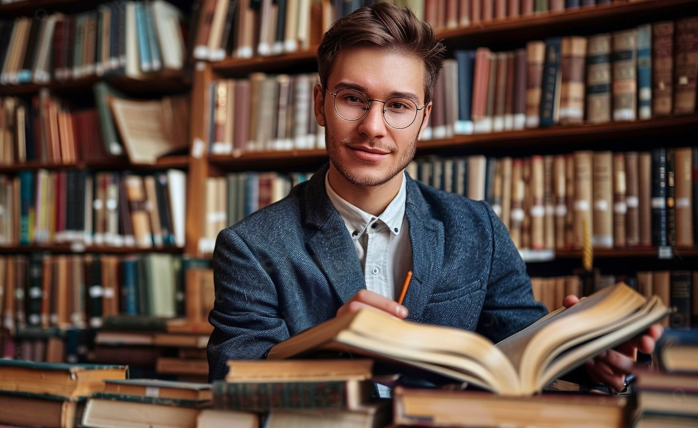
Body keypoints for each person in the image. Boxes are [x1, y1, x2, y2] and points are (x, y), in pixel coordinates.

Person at [207, 2, 662, 392]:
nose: (373, 126)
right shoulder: (252, 246)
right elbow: (232, 383)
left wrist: (590, 354)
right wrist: (329, 343)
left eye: (398, 106)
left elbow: (520, 346)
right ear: (319, 103)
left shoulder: (477, 228)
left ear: (424, 117)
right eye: (352, 99)